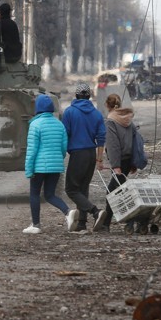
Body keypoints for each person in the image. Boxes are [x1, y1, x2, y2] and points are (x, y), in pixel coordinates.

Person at [61, 82, 107, 232]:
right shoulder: (97, 114)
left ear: (76, 95)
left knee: (71, 189)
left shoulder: (69, 112)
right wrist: (99, 159)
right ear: (89, 96)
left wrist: (62, 152)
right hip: (91, 153)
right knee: (83, 187)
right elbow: (101, 138)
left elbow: (64, 135)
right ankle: (81, 223)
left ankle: (95, 211)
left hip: (77, 154)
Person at [22, 94, 71, 234]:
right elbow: (63, 148)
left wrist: (28, 170)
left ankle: (36, 225)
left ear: (37, 108)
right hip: (55, 166)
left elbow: (32, 150)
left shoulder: (35, 124)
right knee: (50, 195)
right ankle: (68, 212)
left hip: (39, 166)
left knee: (35, 194)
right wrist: (57, 160)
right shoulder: (59, 124)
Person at [101, 93, 145, 234]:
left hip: (119, 163)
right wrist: (133, 163)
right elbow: (134, 143)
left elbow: (113, 145)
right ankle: (107, 224)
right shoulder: (127, 119)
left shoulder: (111, 122)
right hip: (127, 161)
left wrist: (115, 166)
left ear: (107, 105)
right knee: (115, 191)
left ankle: (131, 221)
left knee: (113, 193)